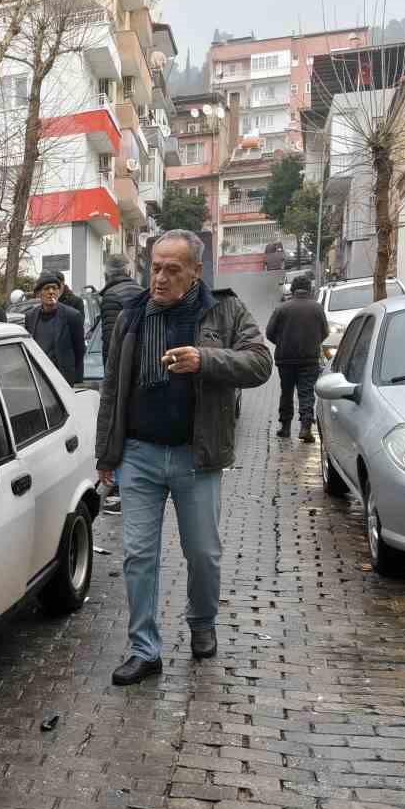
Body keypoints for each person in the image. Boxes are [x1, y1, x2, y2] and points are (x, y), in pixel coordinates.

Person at [95, 229, 270, 686]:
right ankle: (144, 649)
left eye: (173, 269)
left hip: (197, 455)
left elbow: (259, 362)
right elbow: (112, 388)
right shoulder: (132, 315)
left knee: (203, 554)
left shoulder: (224, 309)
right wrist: (105, 455)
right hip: (139, 455)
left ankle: (201, 622)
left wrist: (206, 359)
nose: (161, 278)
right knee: (138, 555)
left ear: (196, 270)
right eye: (155, 267)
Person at [266, 272, 330, 443]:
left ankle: (285, 428)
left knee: (286, 393)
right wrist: (313, 343)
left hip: (285, 360)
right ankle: (305, 427)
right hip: (309, 360)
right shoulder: (317, 308)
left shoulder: (282, 309)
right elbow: (325, 332)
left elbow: (269, 333)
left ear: (293, 289)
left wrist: (281, 342)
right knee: (306, 392)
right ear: (309, 289)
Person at [24, 272, 85, 385]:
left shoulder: (72, 316)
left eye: (55, 288)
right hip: (40, 378)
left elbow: (80, 350)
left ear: (59, 291)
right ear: (39, 293)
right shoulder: (30, 316)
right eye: (47, 288)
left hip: (63, 380)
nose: (51, 292)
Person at [99, 254, 144, 363]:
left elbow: (110, 341)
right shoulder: (143, 292)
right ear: (129, 273)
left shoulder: (111, 296)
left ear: (106, 276)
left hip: (123, 364)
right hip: (143, 361)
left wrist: (109, 374)